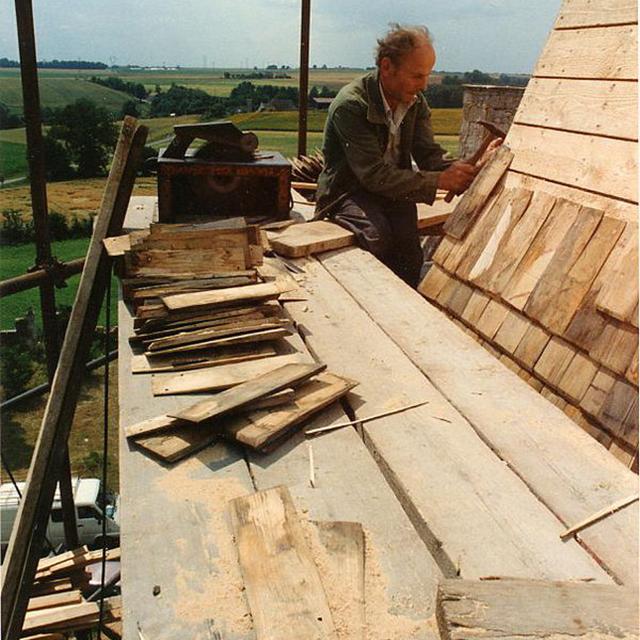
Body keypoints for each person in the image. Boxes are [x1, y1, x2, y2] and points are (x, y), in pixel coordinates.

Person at [315, 24, 479, 287]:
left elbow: (428, 155)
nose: (424, 85)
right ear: (387, 67)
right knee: (375, 237)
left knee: (409, 253)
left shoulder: (414, 101)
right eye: (416, 76)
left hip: (393, 191)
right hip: (348, 191)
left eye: (427, 75)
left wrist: (466, 168)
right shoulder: (352, 105)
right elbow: (373, 176)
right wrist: (439, 181)